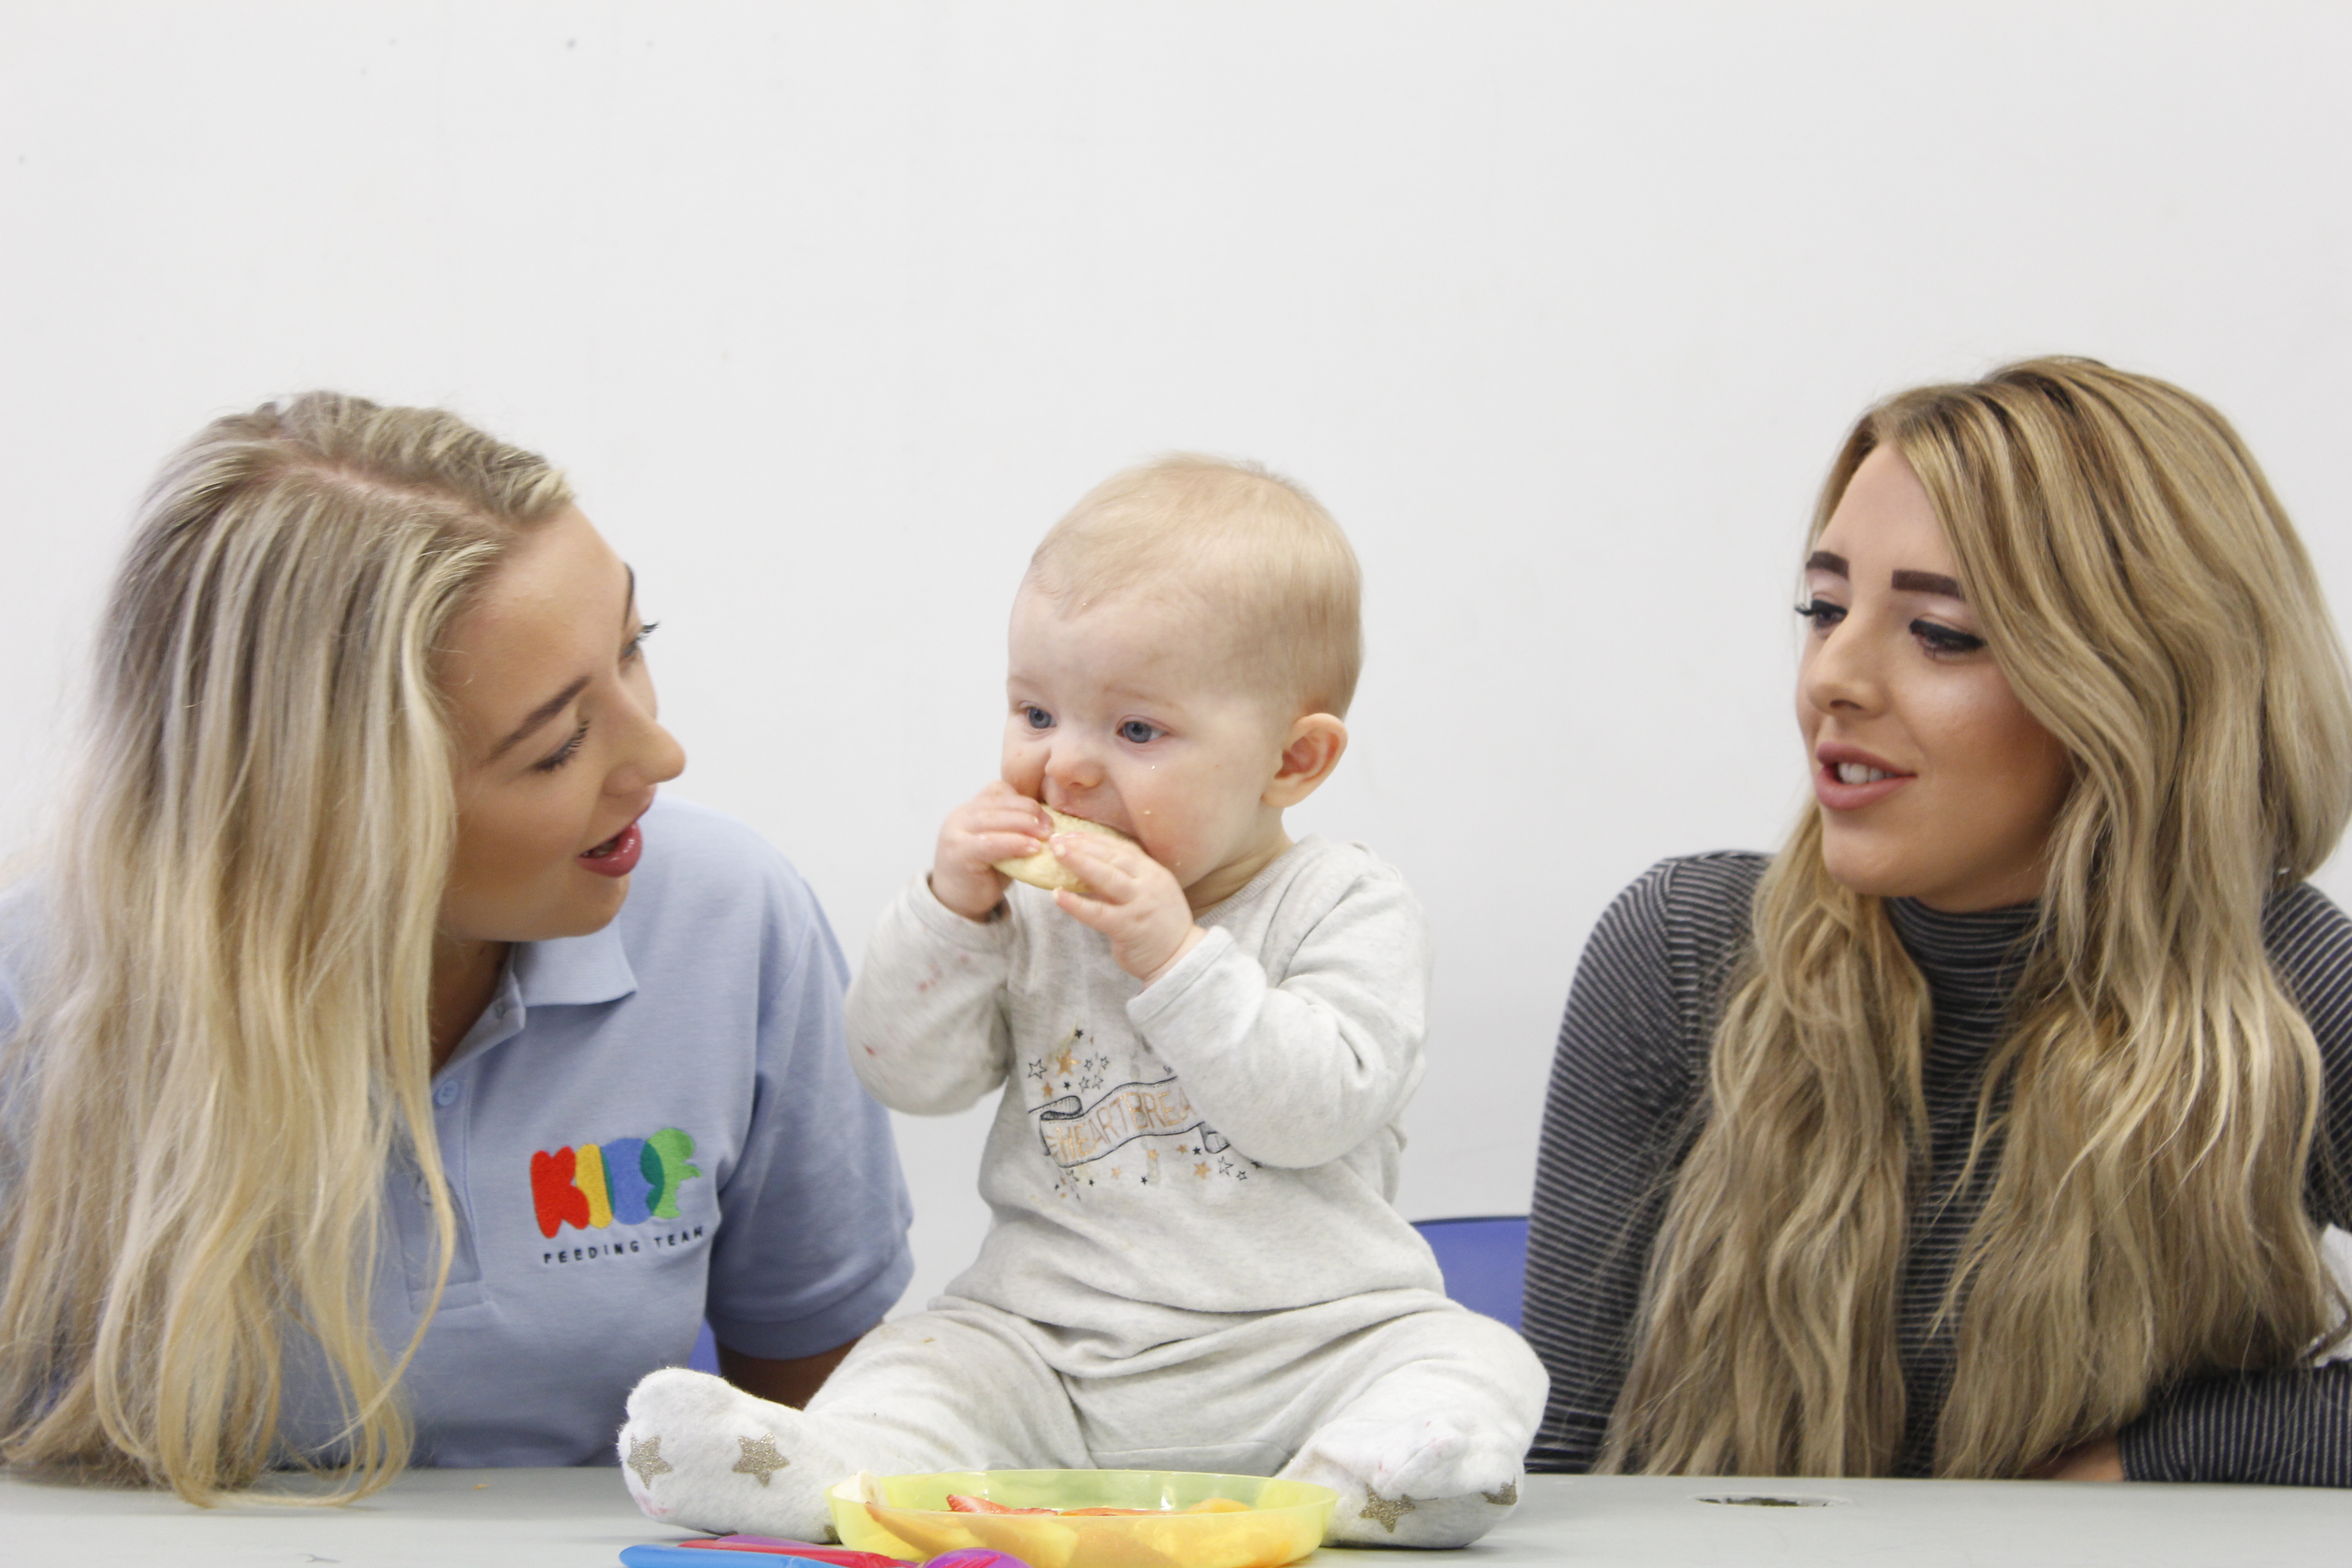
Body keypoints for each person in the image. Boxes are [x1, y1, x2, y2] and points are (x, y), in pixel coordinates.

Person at [618, 456, 1546, 1547]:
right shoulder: (1032, 914)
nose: (1065, 769)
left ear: (1294, 760)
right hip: (1048, 1349)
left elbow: (1319, 1107)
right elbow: (902, 1073)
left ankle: (1377, 1474)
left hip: (1309, 1345)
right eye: (1037, 712)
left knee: (1474, 1358)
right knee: (923, 1362)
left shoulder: (1346, 902)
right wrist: (948, 913)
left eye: (1137, 732)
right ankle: (818, 1473)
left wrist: (1176, 956)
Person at [0, 394, 912, 1503]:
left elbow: (816, 1446)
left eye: (636, 648)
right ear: (333, 814)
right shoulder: (32, 1003)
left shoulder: (732, 923)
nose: (660, 755)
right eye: (559, 744)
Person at [1522, 357, 2352, 1485]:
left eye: (1943, 633)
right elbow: (1553, 1458)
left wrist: (2148, 1460)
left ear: (2139, 682)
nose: (1834, 677)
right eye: (1824, 609)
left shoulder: (2288, 987)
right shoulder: (1683, 950)